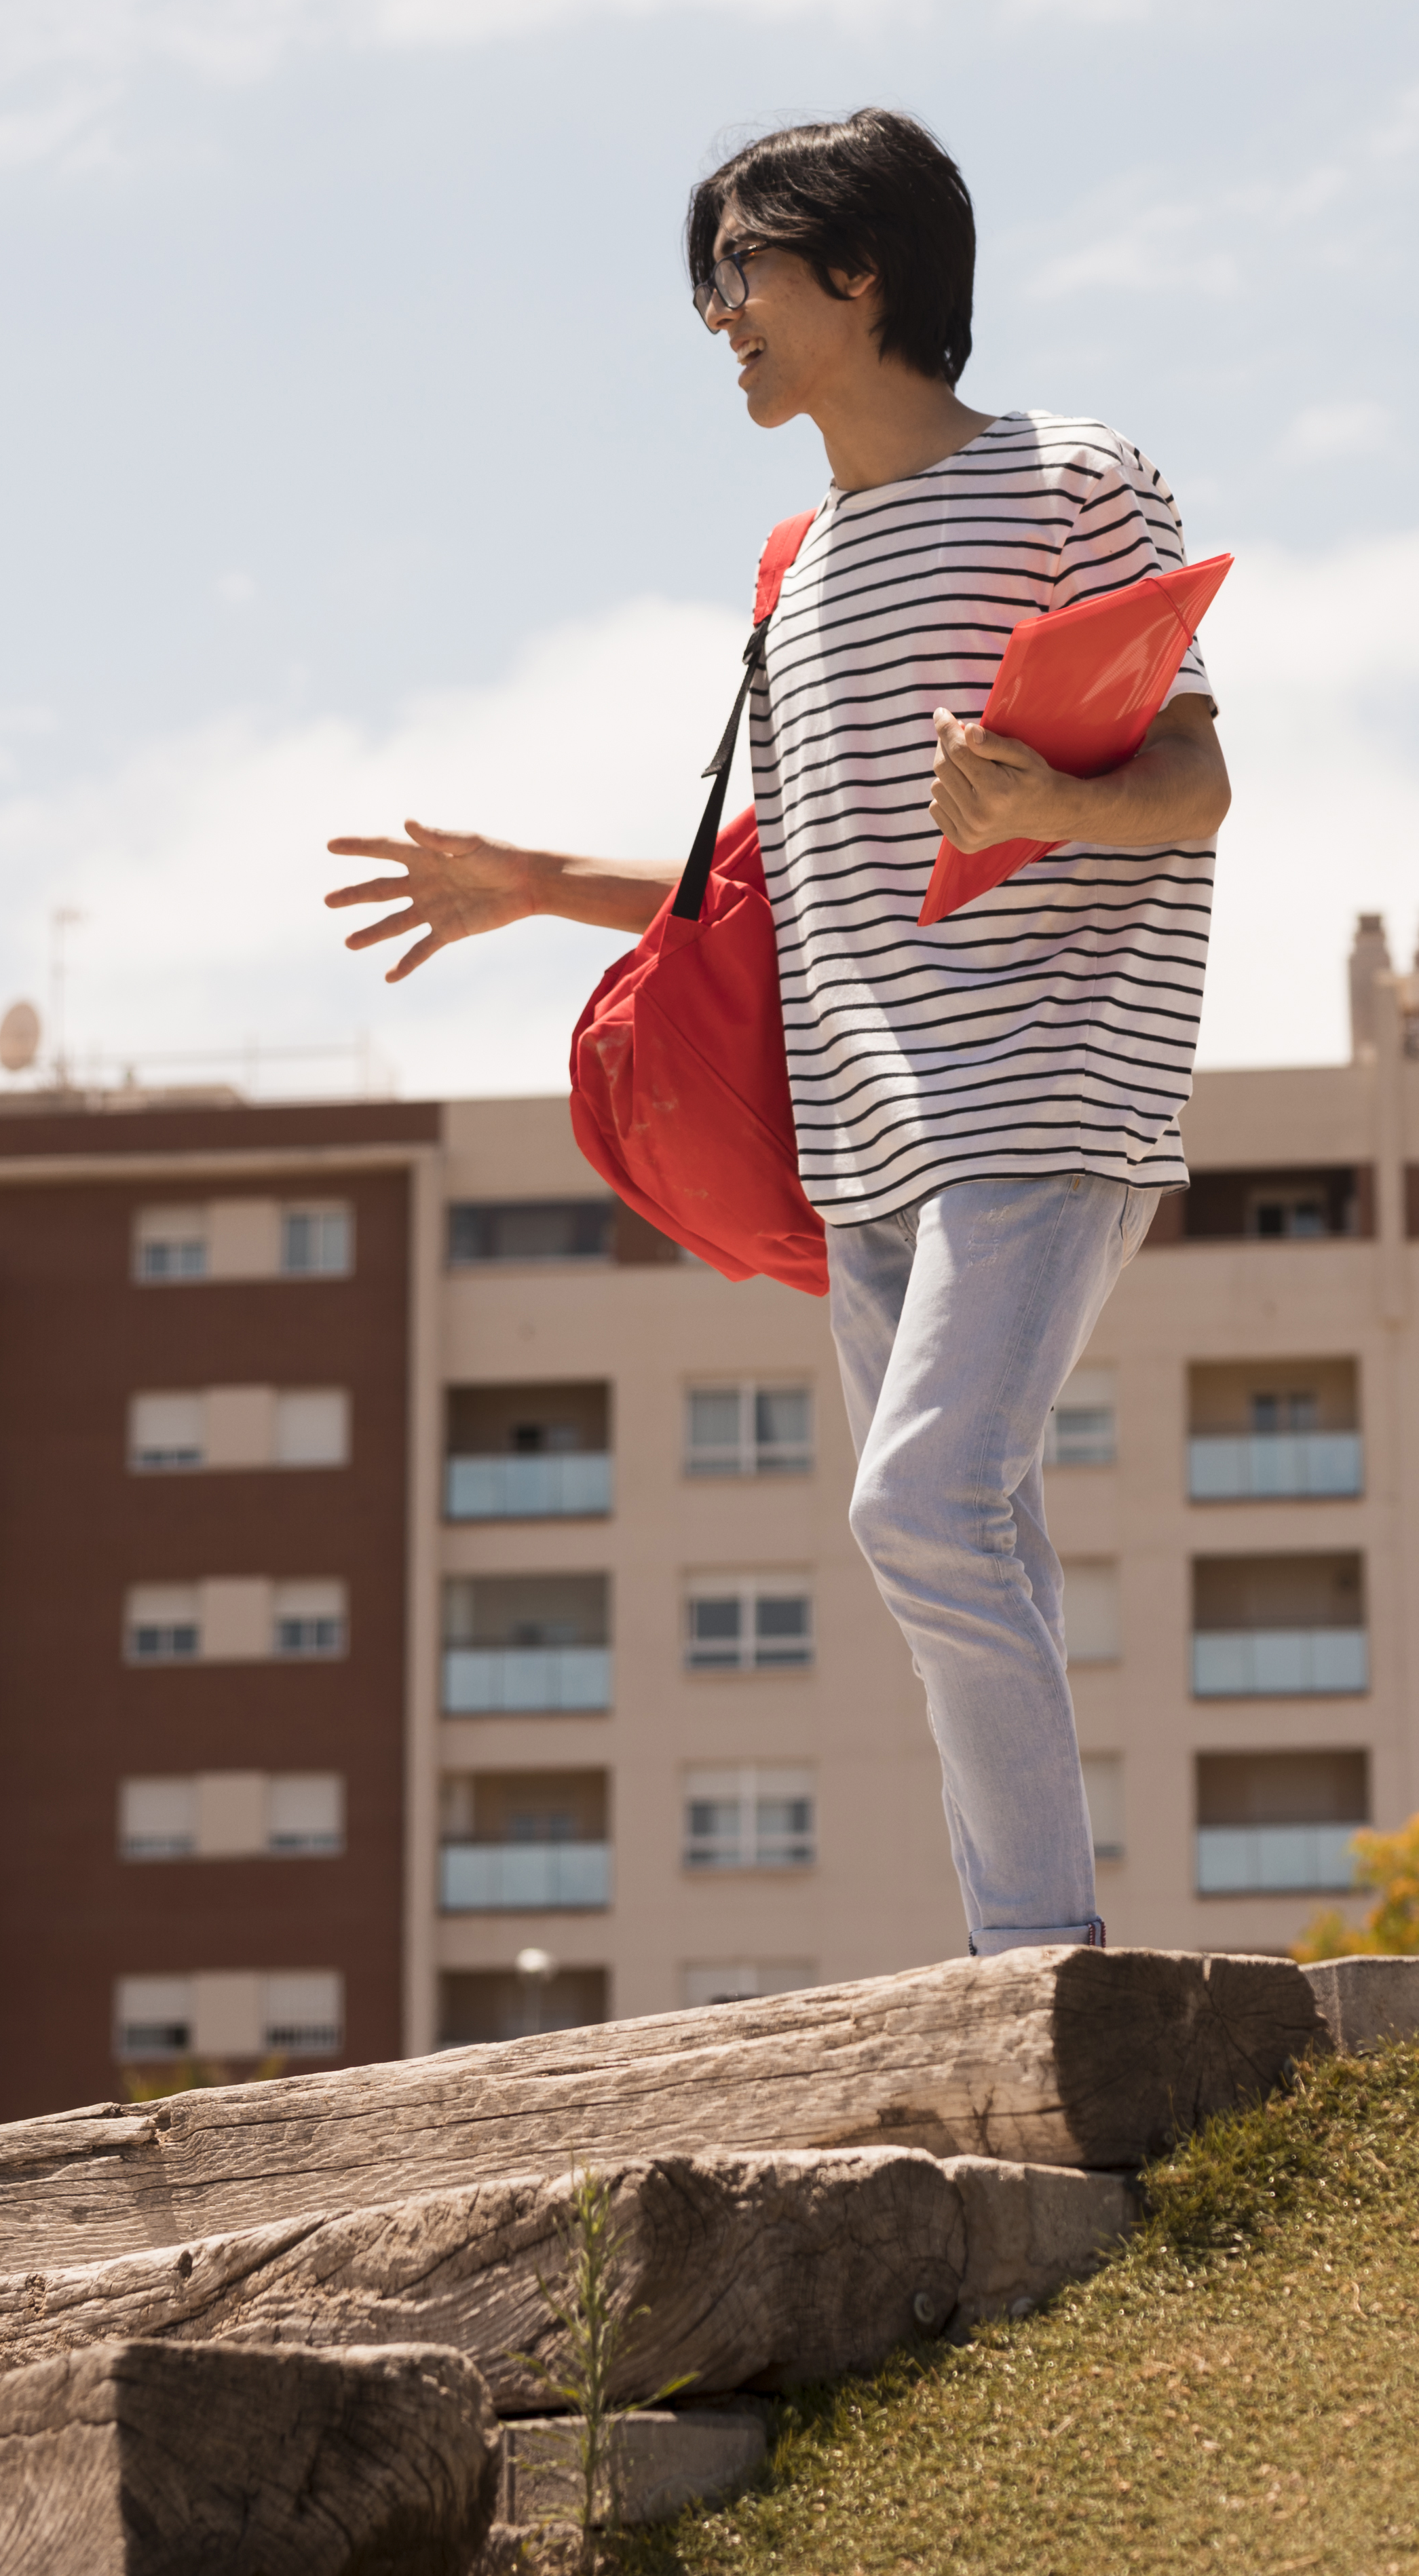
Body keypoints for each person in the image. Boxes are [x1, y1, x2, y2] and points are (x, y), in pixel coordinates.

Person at [325, 109, 1229, 1961]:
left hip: (1046, 1083)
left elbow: (1196, 781)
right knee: (972, 1529)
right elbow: (769, 871)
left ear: (859, 268)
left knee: (924, 1501)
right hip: (865, 1131)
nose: (718, 315)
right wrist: (533, 882)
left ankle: (1034, 1965)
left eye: (738, 269)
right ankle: (1040, 1955)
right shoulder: (795, 567)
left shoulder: (1077, 477)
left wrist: (1046, 811)